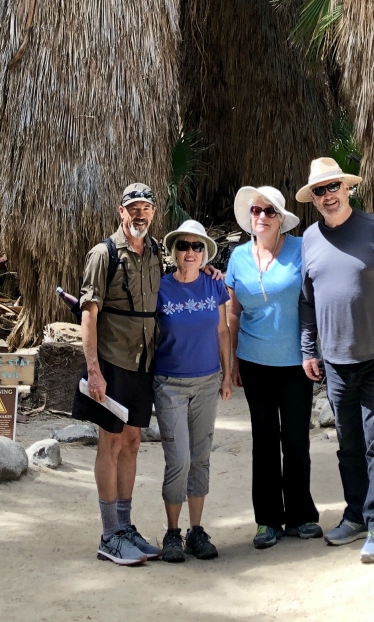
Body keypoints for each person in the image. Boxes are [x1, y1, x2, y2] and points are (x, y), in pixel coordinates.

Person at [298, 157, 374, 565]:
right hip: (334, 362)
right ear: (313, 199)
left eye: (333, 187)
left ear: (347, 189)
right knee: (348, 445)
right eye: (320, 191)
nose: (328, 195)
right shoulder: (309, 240)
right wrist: (308, 348)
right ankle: (356, 515)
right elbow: (307, 300)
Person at [72, 182, 164, 567]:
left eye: (146, 207)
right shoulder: (103, 253)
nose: (140, 214)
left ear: (153, 213)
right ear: (121, 211)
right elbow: (88, 314)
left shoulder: (156, 252)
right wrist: (94, 371)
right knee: (109, 444)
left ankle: (125, 528)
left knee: (131, 442)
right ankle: (109, 534)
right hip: (112, 363)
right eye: (133, 208)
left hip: (144, 363)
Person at [227, 185, 322, 550]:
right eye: (256, 211)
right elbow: (233, 312)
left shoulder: (301, 249)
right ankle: (267, 520)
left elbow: (318, 296)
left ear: (281, 218)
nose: (262, 217)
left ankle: (301, 515)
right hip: (254, 363)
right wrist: (232, 361)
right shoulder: (238, 257)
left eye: (269, 211)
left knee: (296, 441)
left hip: (297, 363)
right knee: (263, 442)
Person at [153, 218, 233, 563]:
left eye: (197, 246)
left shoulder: (214, 285)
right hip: (169, 383)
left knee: (200, 457)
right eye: (183, 245)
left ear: (205, 253)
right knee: (179, 459)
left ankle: (195, 530)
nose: (190, 252)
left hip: (206, 381)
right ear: (173, 251)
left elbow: (222, 332)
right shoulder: (159, 287)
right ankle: (172, 532)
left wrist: (227, 376)